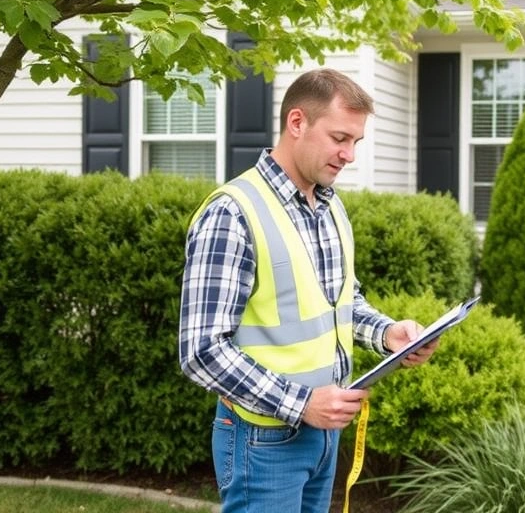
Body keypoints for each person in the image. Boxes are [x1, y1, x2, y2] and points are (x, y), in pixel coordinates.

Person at [179, 68, 438, 513]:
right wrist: (301, 404)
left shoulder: (330, 207)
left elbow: (341, 303)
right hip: (263, 440)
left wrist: (387, 334)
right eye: (340, 138)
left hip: (323, 433)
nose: (349, 154)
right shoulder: (232, 213)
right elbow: (201, 350)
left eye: (356, 141)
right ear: (297, 122)